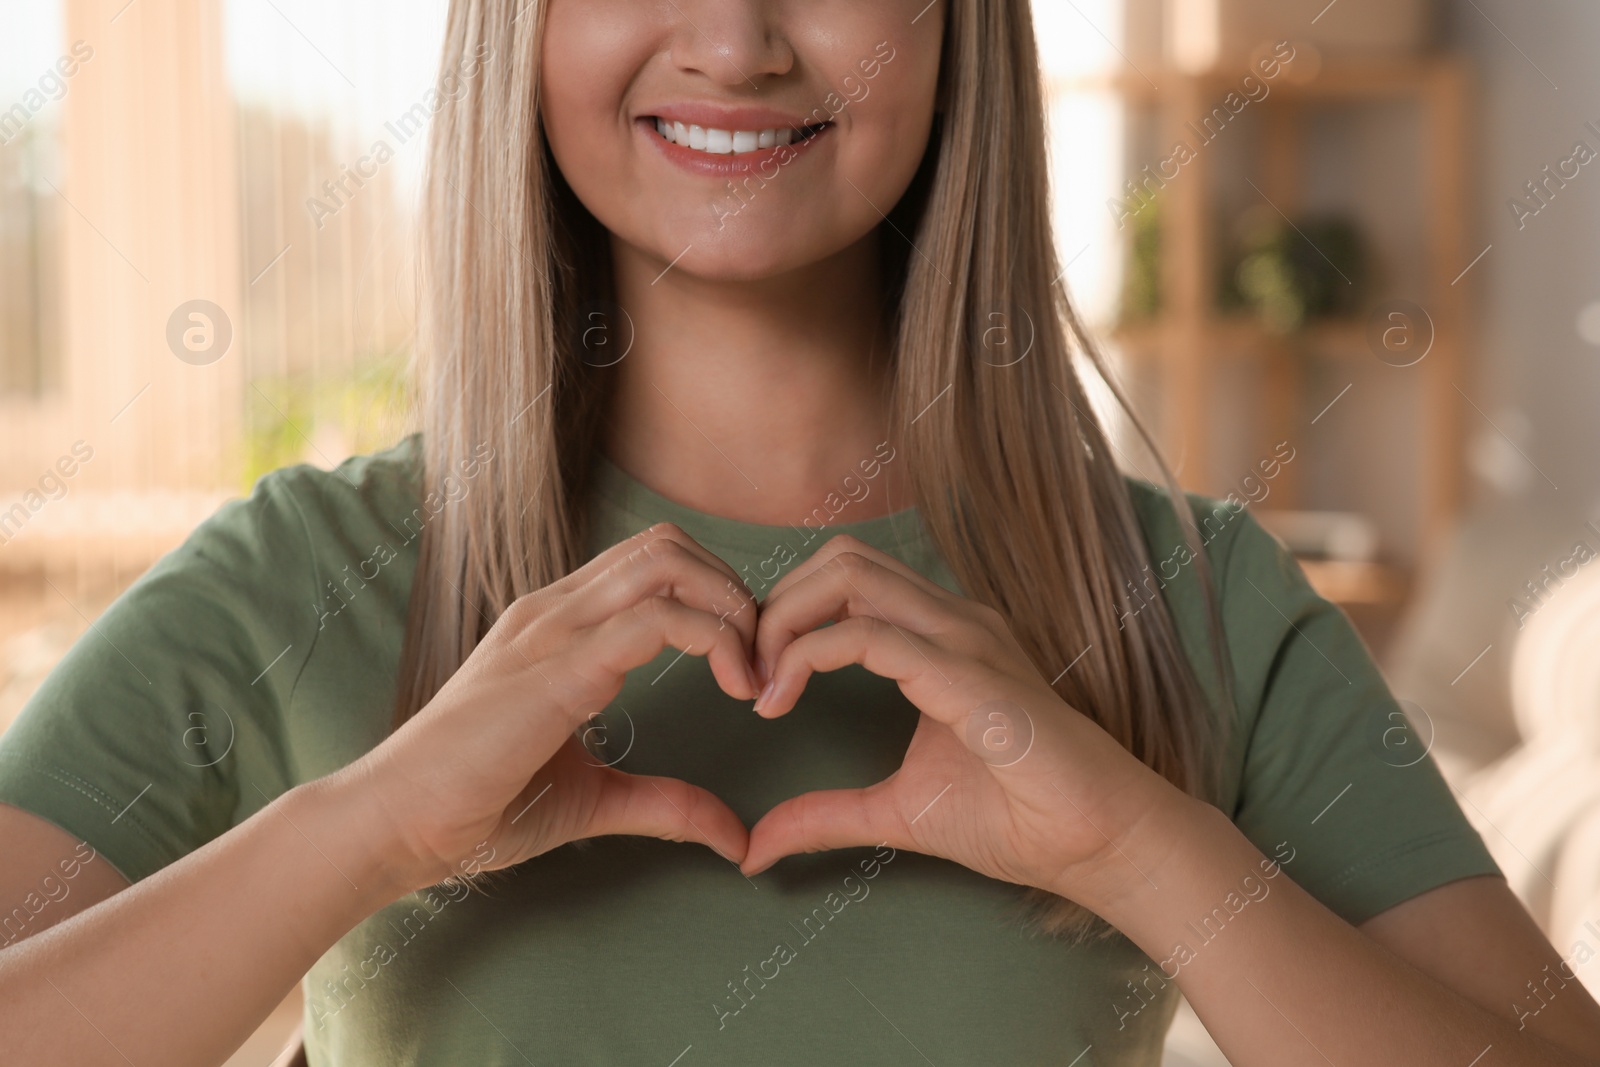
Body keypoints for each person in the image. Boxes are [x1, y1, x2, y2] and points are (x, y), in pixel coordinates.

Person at [3, 1, 1599, 1064]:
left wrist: (1142, 851)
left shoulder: (1188, 602)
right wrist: (367, 831)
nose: (737, 39)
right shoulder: (296, 581)